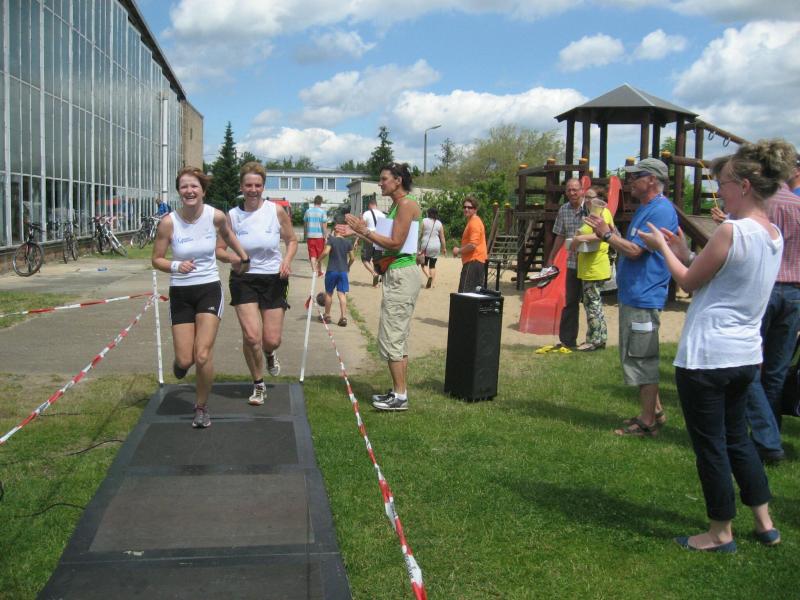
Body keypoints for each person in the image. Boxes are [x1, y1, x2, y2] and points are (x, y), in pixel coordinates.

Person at [638, 139, 790, 552]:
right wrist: (683, 250)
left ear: (744, 185)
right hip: (745, 356)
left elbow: (688, 283)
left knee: (712, 447)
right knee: (738, 438)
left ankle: (720, 532)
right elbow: (718, 275)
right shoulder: (772, 233)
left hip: (707, 357)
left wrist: (662, 247)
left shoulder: (731, 230)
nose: (718, 192)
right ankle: (764, 522)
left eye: (722, 184)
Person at [584, 158, 678, 436]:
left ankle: (647, 423)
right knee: (636, 354)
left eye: (636, 176)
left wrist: (606, 236)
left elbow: (636, 252)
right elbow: (632, 244)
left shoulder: (660, 211)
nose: (630, 181)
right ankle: (655, 411)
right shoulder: (647, 208)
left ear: (652, 180)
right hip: (635, 294)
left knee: (642, 357)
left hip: (644, 296)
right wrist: (609, 231)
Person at [152, 166, 250, 428]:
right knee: (186, 359)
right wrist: (176, 265)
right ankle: (180, 364)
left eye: (194, 186)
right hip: (181, 292)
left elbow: (228, 235)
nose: (189, 191)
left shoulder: (215, 216)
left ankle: (201, 407)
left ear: (203, 191)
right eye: (184, 186)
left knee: (203, 354)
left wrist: (242, 256)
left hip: (208, 288)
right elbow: (157, 259)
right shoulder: (168, 222)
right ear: (179, 192)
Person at [216, 162, 298, 406]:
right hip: (244, 279)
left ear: (263, 186)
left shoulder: (276, 211)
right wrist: (234, 259)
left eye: (258, 185)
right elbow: (219, 249)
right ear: (241, 187)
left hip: (273, 278)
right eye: (248, 185)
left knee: (270, 340)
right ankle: (258, 384)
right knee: (252, 337)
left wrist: (286, 261)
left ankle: (270, 353)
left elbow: (292, 240)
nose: (253, 190)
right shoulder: (232, 216)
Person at [345, 163, 421, 411]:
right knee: (397, 336)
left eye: (384, 179)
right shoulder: (399, 206)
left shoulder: (406, 205)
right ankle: (399, 391)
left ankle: (400, 397)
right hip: (398, 274)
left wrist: (364, 230)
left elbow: (396, 243)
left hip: (401, 275)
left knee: (392, 336)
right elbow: (385, 242)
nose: (380, 183)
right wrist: (355, 232)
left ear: (398, 180)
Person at [744, 144, 800, 464]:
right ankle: (771, 434)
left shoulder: (759, 204)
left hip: (763, 289)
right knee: (776, 371)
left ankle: (764, 437)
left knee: (749, 365)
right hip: (794, 292)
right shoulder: (798, 204)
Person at [544, 178, 586, 351]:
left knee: (591, 302)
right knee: (570, 302)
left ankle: (594, 339)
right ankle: (568, 340)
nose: (572, 193)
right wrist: (551, 257)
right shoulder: (564, 209)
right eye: (569, 190)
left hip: (589, 264)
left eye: (575, 189)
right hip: (572, 263)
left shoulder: (589, 208)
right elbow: (560, 235)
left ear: (582, 190)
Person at [571, 187, 614, 351]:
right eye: (586, 197)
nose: (588, 200)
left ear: (599, 198)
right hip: (589, 267)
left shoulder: (602, 213)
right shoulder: (592, 215)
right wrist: (578, 235)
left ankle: (594, 340)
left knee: (592, 304)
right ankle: (600, 338)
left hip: (595, 267)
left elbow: (602, 234)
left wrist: (579, 238)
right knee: (594, 304)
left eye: (591, 197)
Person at [320, 223, 355, 326]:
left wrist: (318, 260)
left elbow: (326, 252)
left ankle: (327, 315)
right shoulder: (348, 242)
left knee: (329, 293)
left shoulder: (332, 240)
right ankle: (343, 317)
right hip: (343, 271)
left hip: (332, 270)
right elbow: (352, 258)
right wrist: (348, 266)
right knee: (341, 294)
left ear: (335, 231)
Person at [452, 196, 487, 293]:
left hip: (473, 262)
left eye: (469, 207)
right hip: (475, 262)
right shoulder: (472, 221)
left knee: (464, 294)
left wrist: (458, 250)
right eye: (464, 207)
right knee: (474, 295)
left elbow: (472, 245)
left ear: (475, 209)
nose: (466, 209)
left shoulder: (474, 222)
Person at [359, 197, 385, 286]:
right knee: (376, 261)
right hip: (379, 239)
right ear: (376, 205)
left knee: (365, 259)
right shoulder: (382, 215)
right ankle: (376, 284)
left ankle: (374, 273)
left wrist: (358, 239)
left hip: (369, 238)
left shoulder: (366, 213)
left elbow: (362, 227)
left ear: (370, 205)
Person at [420, 207, 446, 289]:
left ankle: (428, 276)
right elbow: (442, 237)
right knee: (432, 265)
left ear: (428, 213)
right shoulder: (439, 223)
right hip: (436, 245)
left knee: (423, 264)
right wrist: (444, 248)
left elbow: (420, 233)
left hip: (426, 245)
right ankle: (432, 284)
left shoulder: (424, 221)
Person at [303, 195, 327, 277]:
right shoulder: (322, 212)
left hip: (310, 236)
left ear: (314, 202)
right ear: (321, 202)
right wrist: (325, 236)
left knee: (312, 254)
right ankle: (319, 271)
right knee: (319, 255)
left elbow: (305, 225)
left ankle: (314, 271)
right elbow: (324, 226)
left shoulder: (308, 211)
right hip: (319, 236)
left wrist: (305, 235)